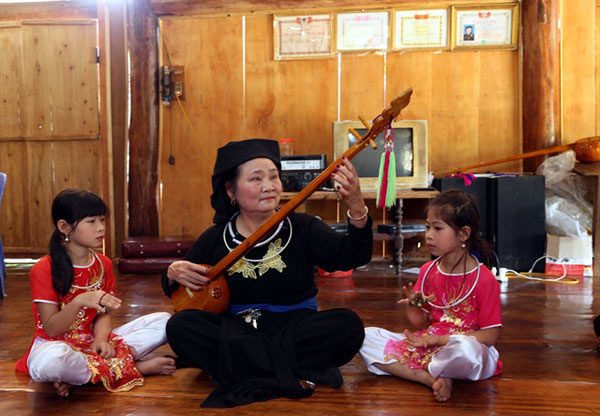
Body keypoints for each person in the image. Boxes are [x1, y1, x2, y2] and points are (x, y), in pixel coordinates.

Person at [162, 138, 373, 407]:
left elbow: (352, 256)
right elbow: (175, 288)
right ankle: (287, 372)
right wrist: (172, 271)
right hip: (238, 330)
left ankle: (242, 371)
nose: (269, 186)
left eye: (274, 177)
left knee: (348, 326)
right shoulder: (216, 237)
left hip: (295, 327)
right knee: (180, 327)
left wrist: (356, 206)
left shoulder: (303, 226)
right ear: (231, 191)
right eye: (256, 179)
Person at [16, 189, 175, 397]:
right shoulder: (44, 268)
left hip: (91, 343)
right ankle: (134, 368)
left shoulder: (103, 264)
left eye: (102, 220)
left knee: (165, 322)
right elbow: (52, 329)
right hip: (54, 346)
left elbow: (104, 312)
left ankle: (84, 377)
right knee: (51, 363)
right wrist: (79, 301)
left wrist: (101, 340)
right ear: (64, 227)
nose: (101, 228)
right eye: (91, 221)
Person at [360, 189, 501, 402]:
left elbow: (490, 338)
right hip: (430, 346)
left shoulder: (484, 278)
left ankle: (438, 370)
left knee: (464, 349)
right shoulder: (428, 271)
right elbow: (420, 320)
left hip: (469, 353)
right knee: (364, 336)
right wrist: (412, 306)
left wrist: (442, 339)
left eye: (437, 228)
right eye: (427, 227)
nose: (429, 235)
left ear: (464, 234)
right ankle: (430, 378)